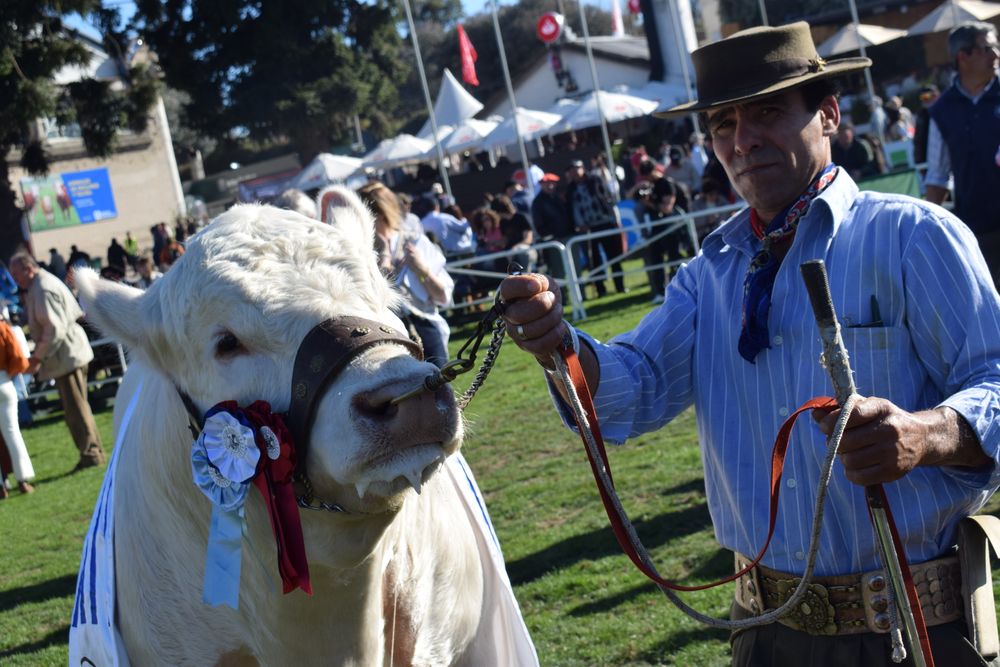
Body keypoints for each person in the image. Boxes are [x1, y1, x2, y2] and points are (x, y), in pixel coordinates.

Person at [498, 22, 1000, 667]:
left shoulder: (914, 236)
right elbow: (635, 385)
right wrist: (559, 343)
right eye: (722, 123)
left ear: (828, 114)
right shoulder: (708, 276)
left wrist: (926, 434)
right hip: (764, 635)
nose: (742, 140)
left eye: (766, 112)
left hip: (912, 627)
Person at [10, 252, 106, 471]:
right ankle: (92, 452)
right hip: (66, 356)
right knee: (77, 408)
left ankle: (91, 454)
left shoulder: (42, 287)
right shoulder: (39, 285)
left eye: (16, 274)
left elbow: (53, 329)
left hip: (66, 357)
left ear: (28, 269)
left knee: (76, 410)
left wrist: (37, 357)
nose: (14, 279)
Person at [925, 21, 1000, 289]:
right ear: (963, 56)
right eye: (987, 48)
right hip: (976, 232)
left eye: (996, 47)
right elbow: (937, 176)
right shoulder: (942, 110)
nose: (996, 54)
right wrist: (929, 233)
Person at [357, 182, 454, 368]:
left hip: (425, 331)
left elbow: (443, 297)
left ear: (382, 213)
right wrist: (384, 258)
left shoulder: (415, 242)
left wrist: (421, 269)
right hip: (382, 340)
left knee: (437, 382)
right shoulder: (360, 253)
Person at [566, 159, 626, 298]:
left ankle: (620, 286)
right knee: (594, 261)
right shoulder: (571, 189)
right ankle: (600, 290)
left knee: (613, 257)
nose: (575, 172)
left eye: (577, 168)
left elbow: (607, 198)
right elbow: (574, 209)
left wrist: (614, 219)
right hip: (588, 228)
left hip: (606, 223)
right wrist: (580, 224)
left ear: (583, 168)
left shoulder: (595, 180)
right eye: (572, 170)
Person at [0, 316, 33, 498]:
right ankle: (23, 480)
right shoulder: (3, 328)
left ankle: (2, 486)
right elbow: (19, 358)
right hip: (3, 382)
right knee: (13, 433)